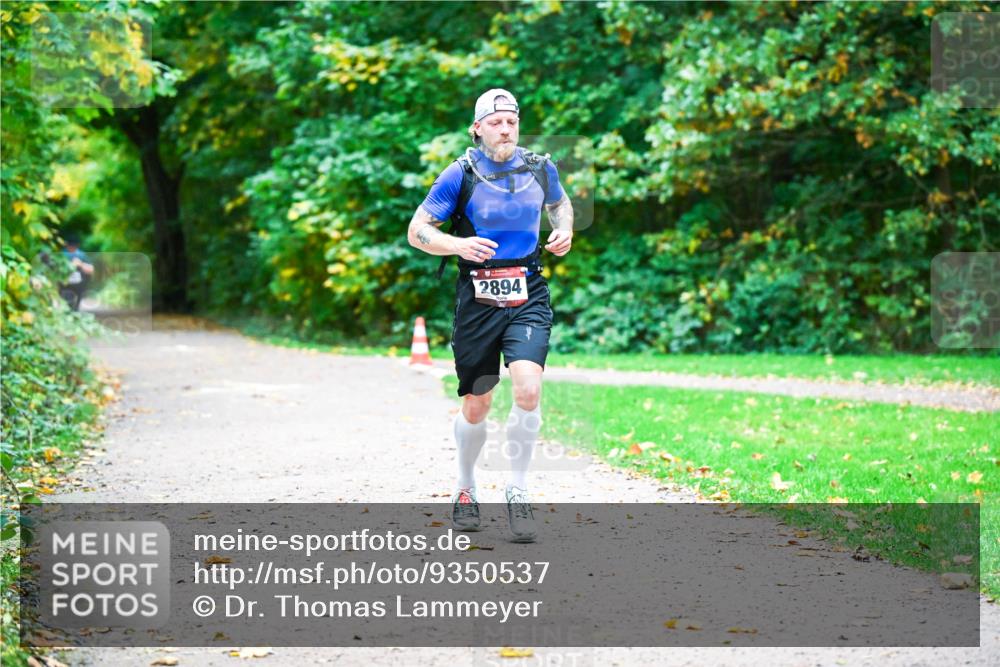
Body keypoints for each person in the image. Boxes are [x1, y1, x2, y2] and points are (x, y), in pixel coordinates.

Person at [407, 88, 574, 542]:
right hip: (477, 298)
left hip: (527, 290)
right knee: (477, 402)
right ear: (478, 127)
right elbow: (417, 230)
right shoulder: (459, 174)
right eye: (496, 122)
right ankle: (465, 487)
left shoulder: (540, 167)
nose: (505, 129)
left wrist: (565, 229)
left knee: (528, 389)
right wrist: (457, 245)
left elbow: (559, 203)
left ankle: (518, 490)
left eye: (512, 121)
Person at [60, 233, 94, 311]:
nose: (72, 248)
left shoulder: (81, 255)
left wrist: (80, 264)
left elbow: (91, 269)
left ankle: (74, 311)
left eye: (73, 246)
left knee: (75, 304)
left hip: (79, 284)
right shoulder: (61, 255)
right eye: (70, 246)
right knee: (68, 302)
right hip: (65, 283)